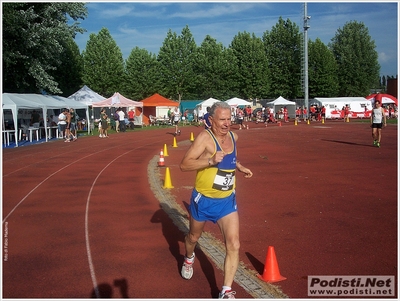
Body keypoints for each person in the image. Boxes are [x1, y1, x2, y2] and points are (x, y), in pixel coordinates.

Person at [179, 101, 253, 299]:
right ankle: (188, 257)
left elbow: (229, 158)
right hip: (203, 200)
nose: (227, 123)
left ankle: (226, 291)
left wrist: (240, 167)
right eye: (222, 119)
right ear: (211, 120)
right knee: (193, 238)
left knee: (234, 244)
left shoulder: (234, 137)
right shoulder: (205, 138)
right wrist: (210, 160)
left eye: (229, 119)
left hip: (226, 201)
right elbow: (184, 165)